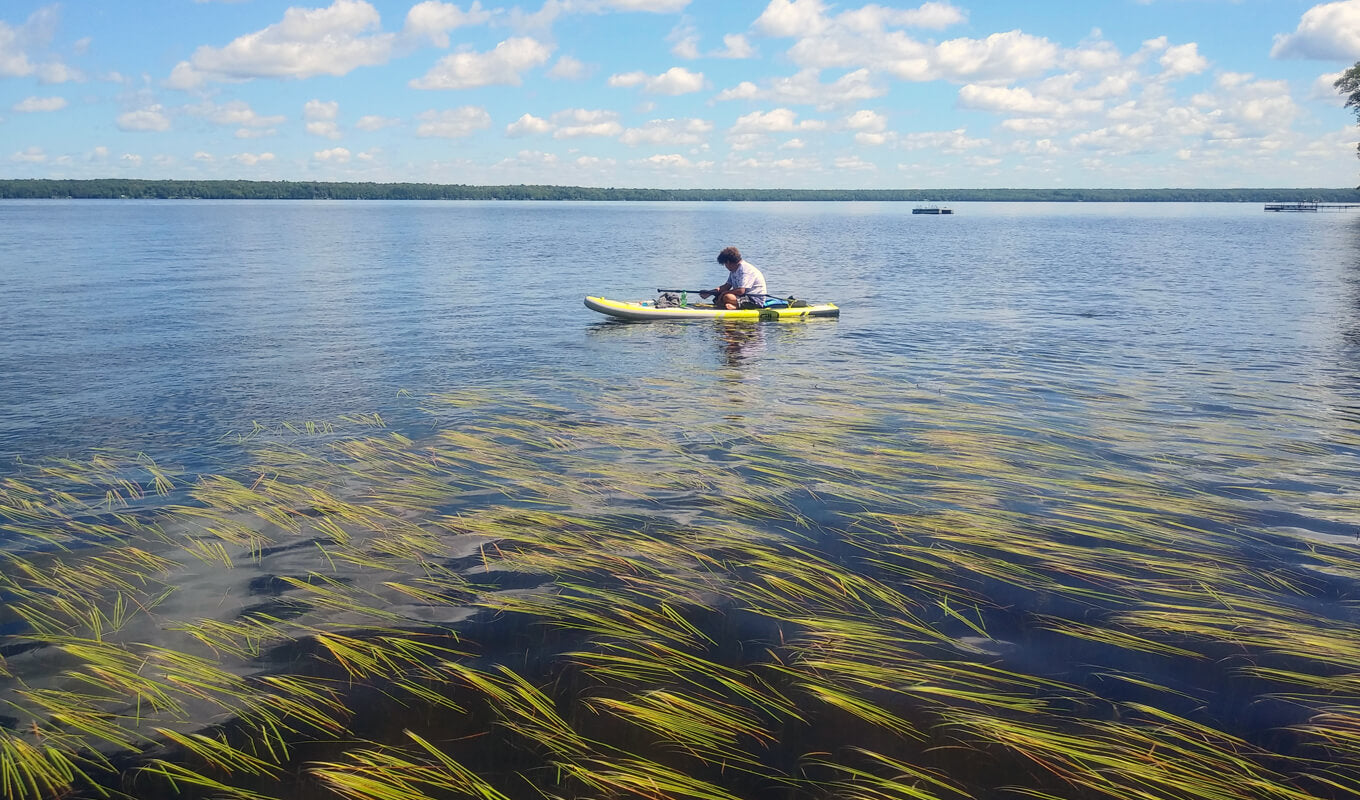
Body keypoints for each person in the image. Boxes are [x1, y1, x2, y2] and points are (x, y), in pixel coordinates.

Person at [700, 246, 769, 310]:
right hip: (743, 297)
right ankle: (730, 305)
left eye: (725, 264)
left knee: (727, 297)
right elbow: (726, 286)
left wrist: (723, 293)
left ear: (728, 262)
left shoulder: (745, 270)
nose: (725, 266)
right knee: (718, 297)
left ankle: (735, 307)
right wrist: (710, 292)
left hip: (754, 300)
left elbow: (741, 291)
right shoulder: (734, 270)